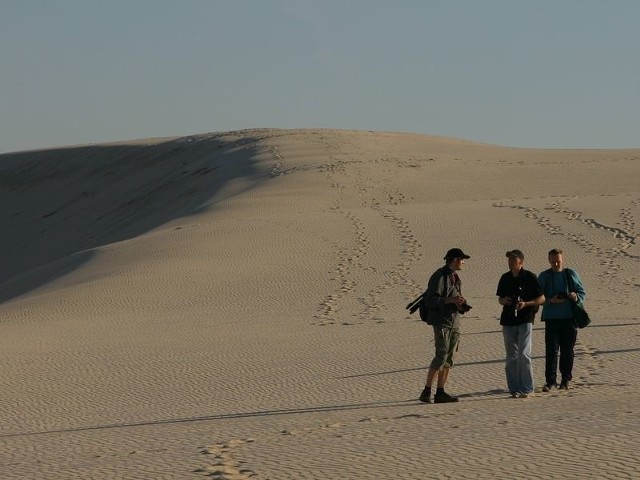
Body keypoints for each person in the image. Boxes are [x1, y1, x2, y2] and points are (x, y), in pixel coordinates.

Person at [419, 248, 471, 404]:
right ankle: (427, 390)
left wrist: (461, 306)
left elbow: (455, 300)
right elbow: (430, 300)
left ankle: (440, 392)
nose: (463, 262)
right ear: (455, 259)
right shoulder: (439, 276)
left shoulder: (456, 278)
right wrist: (451, 301)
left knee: (449, 358)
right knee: (441, 355)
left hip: (454, 322)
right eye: (462, 259)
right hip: (442, 322)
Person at [496, 249, 545, 398]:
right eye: (509, 261)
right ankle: (514, 389)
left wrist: (526, 303)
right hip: (508, 319)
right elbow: (500, 299)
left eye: (513, 261)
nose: (510, 263)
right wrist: (505, 301)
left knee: (524, 354)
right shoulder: (505, 278)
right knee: (511, 356)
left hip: (525, 319)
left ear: (521, 262)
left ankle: (527, 388)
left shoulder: (530, 277)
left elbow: (542, 298)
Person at [538, 248, 586, 391]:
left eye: (558, 261)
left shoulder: (570, 274)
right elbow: (537, 298)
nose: (556, 264)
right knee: (551, 351)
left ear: (562, 260)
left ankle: (565, 379)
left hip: (569, 318)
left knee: (567, 350)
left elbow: (582, 292)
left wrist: (574, 296)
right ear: (549, 261)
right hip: (551, 319)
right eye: (553, 262)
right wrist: (550, 300)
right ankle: (550, 381)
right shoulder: (544, 276)